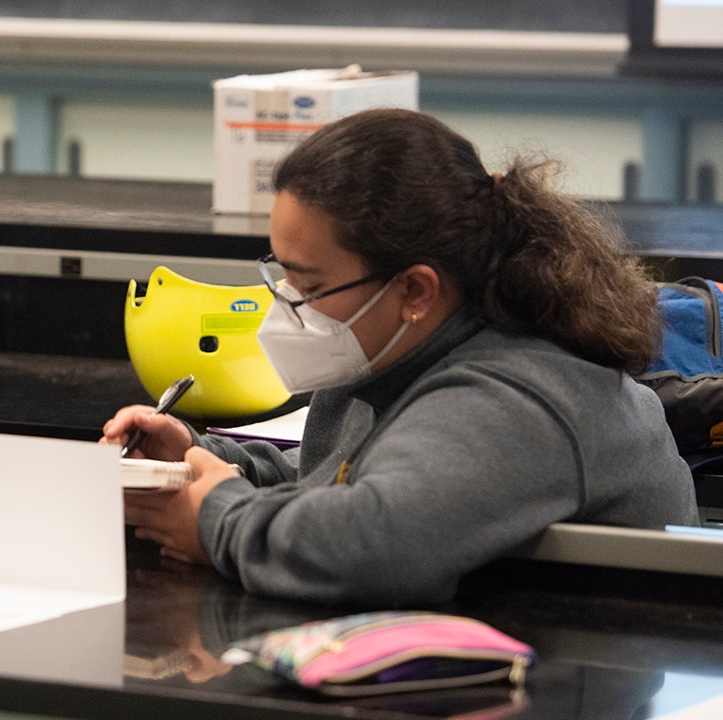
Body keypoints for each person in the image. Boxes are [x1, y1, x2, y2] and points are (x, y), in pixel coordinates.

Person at [103, 108, 698, 605]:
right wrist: (195, 458)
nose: (288, 307)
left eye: (310, 289)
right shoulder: (390, 353)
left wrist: (215, 520)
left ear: (415, 290)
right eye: (282, 278)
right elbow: (337, 477)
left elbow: (374, 545)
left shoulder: (516, 397)